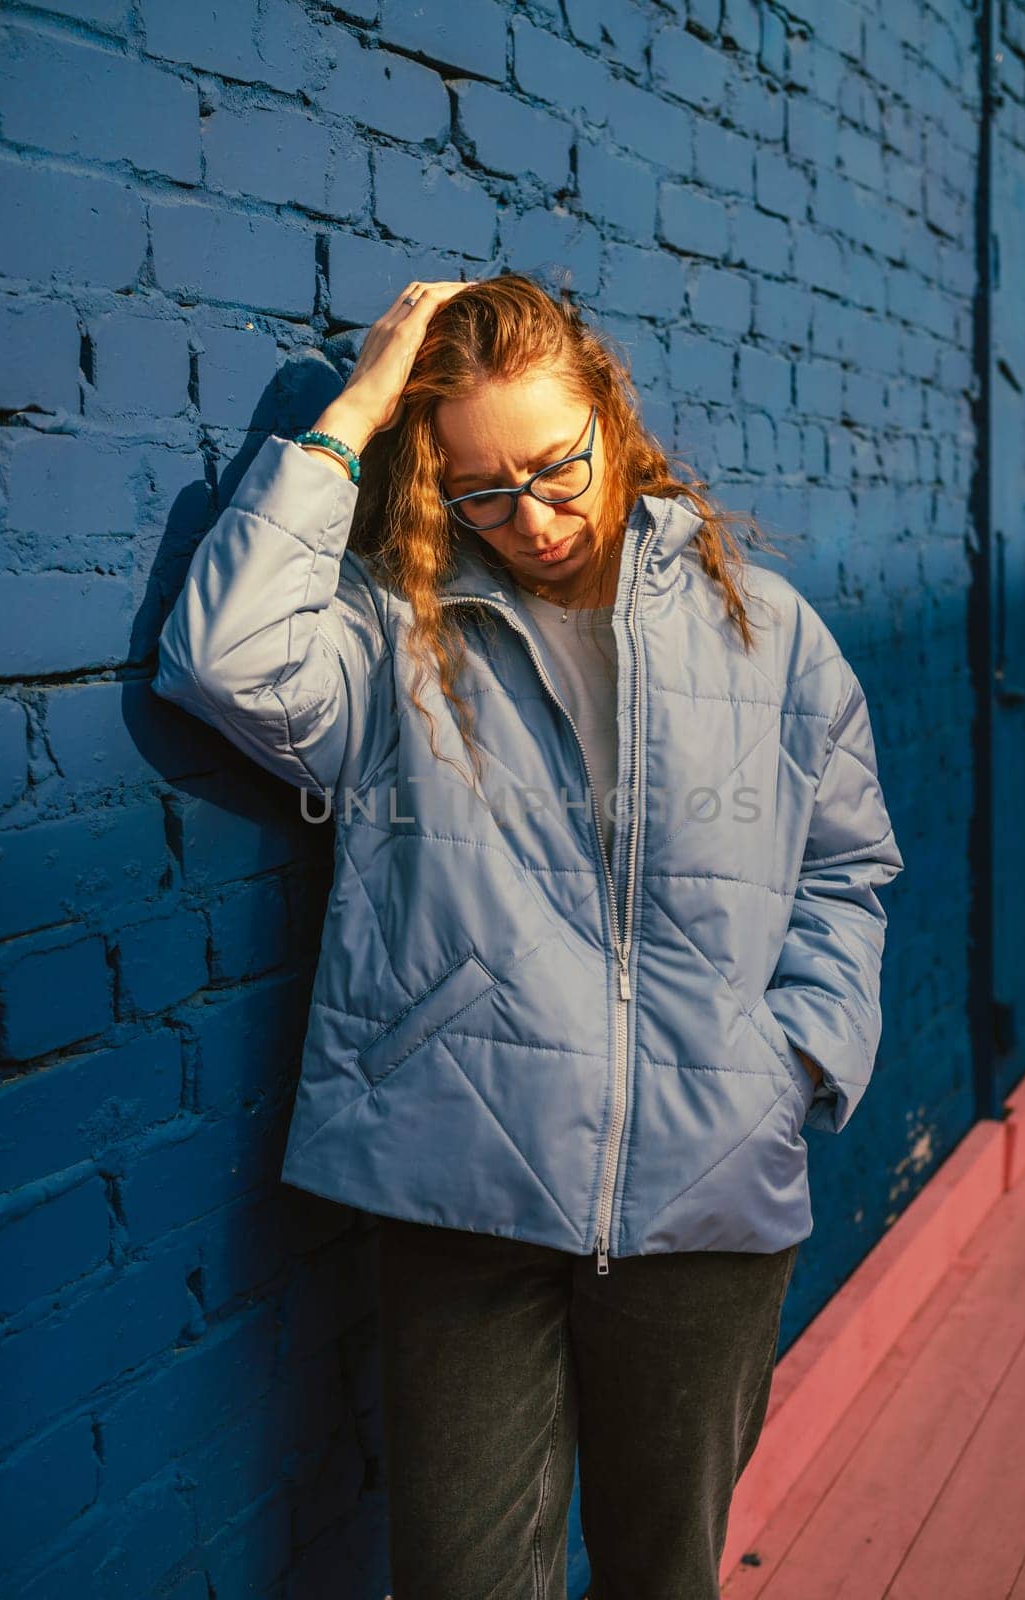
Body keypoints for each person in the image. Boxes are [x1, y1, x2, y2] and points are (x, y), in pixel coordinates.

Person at [153, 272, 904, 1599]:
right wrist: (361, 403)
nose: (533, 519)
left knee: (663, 1575)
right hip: (464, 1186)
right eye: (480, 491)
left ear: (610, 414)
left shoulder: (767, 631)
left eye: (556, 468)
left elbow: (847, 870)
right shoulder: (396, 631)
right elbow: (226, 657)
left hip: (709, 1196)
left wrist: (791, 1067)